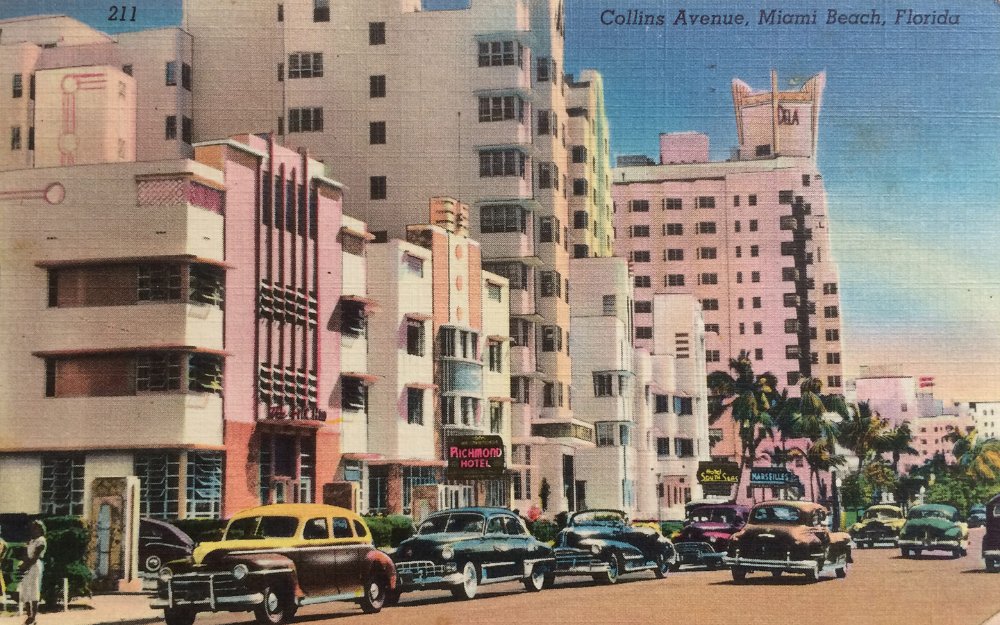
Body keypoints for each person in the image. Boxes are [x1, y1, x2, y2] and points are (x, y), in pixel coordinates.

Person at [20, 521, 46, 625]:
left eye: (35, 528)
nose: (33, 530)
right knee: (25, 589)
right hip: (27, 564)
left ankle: (34, 617)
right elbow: (25, 554)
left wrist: (26, 565)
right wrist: (24, 563)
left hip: (35, 566)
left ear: (40, 529)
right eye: (32, 528)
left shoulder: (41, 540)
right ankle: (29, 615)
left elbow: (35, 556)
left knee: (34, 589)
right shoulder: (31, 541)